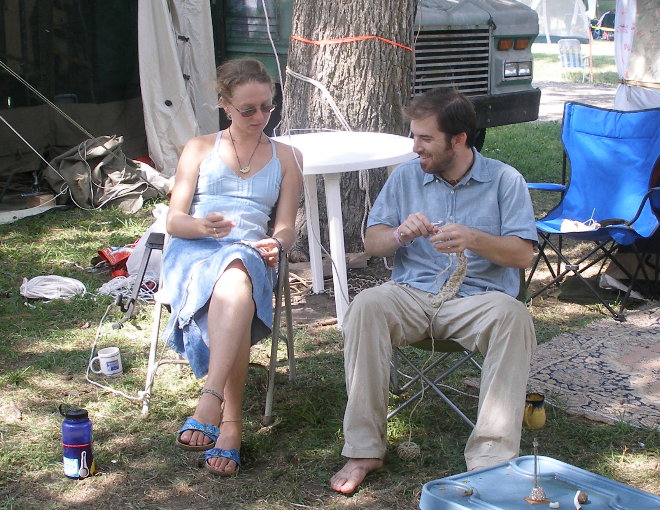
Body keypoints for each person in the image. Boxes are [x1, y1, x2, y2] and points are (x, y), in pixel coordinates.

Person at [330, 88, 538, 494]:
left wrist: (474, 238)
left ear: (458, 139)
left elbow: (522, 255)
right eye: (414, 136)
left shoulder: (504, 180)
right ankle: (364, 449)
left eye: (426, 138)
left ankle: (491, 461)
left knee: (513, 316)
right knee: (367, 304)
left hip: (477, 300)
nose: (416, 147)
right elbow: (373, 243)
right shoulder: (407, 175)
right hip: (412, 294)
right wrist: (399, 234)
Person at [162, 58, 302, 476]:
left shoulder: (288, 156)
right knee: (234, 276)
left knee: (238, 268)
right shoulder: (199, 147)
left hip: (251, 253)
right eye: (248, 109)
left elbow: (286, 226)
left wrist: (277, 243)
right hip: (195, 250)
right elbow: (174, 221)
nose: (260, 117)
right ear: (224, 104)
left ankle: (212, 401)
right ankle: (230, 422)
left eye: (267, 107)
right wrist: (201, 225)